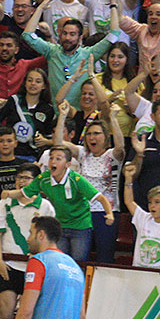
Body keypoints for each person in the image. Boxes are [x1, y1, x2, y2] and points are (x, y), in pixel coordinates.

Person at [3, 145, 114, 262]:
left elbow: (101, 198)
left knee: (79, 261)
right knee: (59, 260)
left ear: (68, 164)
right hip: (60, 225)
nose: (53, 161)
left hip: (80, 226)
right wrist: (9, 194)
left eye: (58, 159)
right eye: (51, 158)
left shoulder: (76, 179)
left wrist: (109, 214)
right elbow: (24, 192)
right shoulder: (43, 178)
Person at [55, 101, 124, 263]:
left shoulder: (112, 155)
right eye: (90, 134)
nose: (92, 137)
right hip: (83, 214)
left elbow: (120, 146)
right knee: (79, 259)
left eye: (97, 133)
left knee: (104, 258)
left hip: (107, 212)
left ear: (106, 137)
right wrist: (62, 116)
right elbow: (58, 143)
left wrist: (113, 119)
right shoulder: (83, 154)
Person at [0, 163, 56, 319]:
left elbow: (50, 239)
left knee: (28, 313)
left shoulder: (45, 206)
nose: (21, 181)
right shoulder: (5, 203)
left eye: (26, 178)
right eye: (19, 177)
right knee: (5, 308)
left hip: (33, 265)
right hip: (9, 264)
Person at [0, 67, 55, 162]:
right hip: (7, 155)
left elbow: (52, 139)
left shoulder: (48, 109)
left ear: (44, 86)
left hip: (31, 158)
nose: (33, 84)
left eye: (38, 81)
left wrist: (46, 141)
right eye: (30, 80)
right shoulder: (14, 100)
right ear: (25, 83)